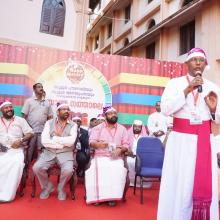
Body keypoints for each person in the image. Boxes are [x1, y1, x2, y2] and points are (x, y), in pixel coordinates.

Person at [157, 48, 220, 220]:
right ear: (186, 64)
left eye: (201, 60)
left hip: (204, 142)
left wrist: (214, 109)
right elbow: (165, 109)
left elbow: (219, 119)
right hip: (180, 142)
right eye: (194, 59)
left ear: (206, 64)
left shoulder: (213, 87)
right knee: (180, 184)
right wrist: (186, 90)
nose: (198, 62)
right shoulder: (174, 84)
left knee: (201, 184)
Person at [85, 106, 129, 206]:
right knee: (97, 168)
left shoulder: (122, 129)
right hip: (100, 155)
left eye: (115, 113)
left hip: (116, 157)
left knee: (117, 169)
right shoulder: (97, 128)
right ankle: (97, 196)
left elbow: (126, 145)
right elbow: (91, 142)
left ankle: (112, 197)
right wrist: (98, 145)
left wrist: (119, 150)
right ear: (105, 116)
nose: (113, 115)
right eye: (110, 113)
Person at [32, 103, 77, 201]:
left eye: (68, 109)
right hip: (49, 152)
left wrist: (55, 138)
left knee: (69, 170)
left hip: (66, 153)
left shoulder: (74, 125)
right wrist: (61, 143)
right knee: (36, 167)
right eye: (64, 109)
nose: (66, 111)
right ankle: (48, 186)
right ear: (57, 112)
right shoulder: (49, 123)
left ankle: (61, 188)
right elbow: (44, 141)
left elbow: (71, 141)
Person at [0, 101, 33, 202]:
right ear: (1, 110)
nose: (9, 109)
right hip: (1, 149)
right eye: (6, 108)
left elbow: (30, 133)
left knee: (16, 163)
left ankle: (7, 194)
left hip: (16, 149)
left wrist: (21, 140)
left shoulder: (20, 120)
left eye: (11, 107)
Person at [22, 83, 53, 162]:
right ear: (34, 89)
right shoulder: (29, 101)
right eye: (39, 87)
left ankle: (39, 167)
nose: (41, 88)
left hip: (42, 131)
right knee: (29, 150)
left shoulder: (47, 102)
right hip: (31, 131)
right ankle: (27, 166)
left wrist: (48, 129)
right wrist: (26, 128)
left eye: (42, 87)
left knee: (41, 150)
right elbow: (24, 116)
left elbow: (50, 117)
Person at [127, 120, 148, 186]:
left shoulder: (145, 137)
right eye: (135, 126)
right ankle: (130, 181)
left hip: (141, 157)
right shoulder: (127, 134)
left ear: (142, 128)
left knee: (140, 163)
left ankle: (141, 182)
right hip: (130, 156)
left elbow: (147, 149)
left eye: (139, 127)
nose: (137, 128)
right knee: (129, 161)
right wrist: (128, 152)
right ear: (132, 127)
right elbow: (125, 145)